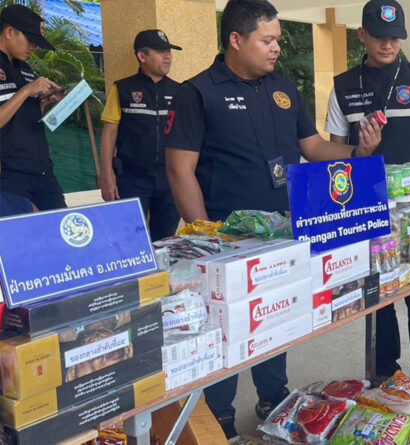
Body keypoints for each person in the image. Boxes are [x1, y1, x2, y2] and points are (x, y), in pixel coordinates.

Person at [164, 0, 382, 440]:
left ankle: (274, 399)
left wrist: (359, 152)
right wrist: (208, 237)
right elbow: (179, 168)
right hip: (225, 239)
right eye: (268, 40)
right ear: (236, 40)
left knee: (275, 316)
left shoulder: (284, 89)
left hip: (282, 231)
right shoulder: (198, 92)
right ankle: (218, 413)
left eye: (279, 40)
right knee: (225, 329)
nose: (276, 47)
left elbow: (316, 149)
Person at [325, 0, 410, 390]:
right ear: (362, 35)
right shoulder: (344, 86)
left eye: (396, 37)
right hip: (367, 207)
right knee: (378, 293)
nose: (388, 44)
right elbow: (333, 148)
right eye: (380, 37)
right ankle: (384, 370)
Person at [99, 30, 182, 241]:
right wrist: (107, 176)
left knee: (164, 240)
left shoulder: (180, 91)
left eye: (169, 52)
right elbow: (109, 134)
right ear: (142, 56)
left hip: (169, 179)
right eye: (161, 52)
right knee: (130, 239)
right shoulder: (123, 89)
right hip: (132, 178)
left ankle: (161, 275)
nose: (168, 56)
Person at [0, 5, 66, 211]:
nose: (34, 48)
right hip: (10, 174)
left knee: (63, 233)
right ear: (10, 32)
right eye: (31, 40)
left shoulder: (25, 68)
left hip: (42, 169)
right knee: (19, 239)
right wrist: (26, 91)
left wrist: (47, 102)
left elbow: (23, 115)